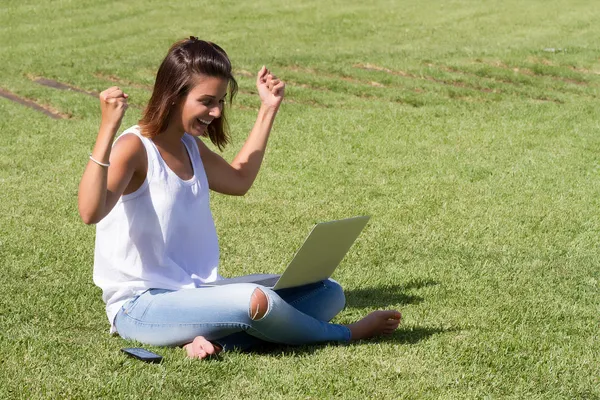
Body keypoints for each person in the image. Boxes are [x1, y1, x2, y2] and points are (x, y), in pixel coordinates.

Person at [78, 37, 401, 359]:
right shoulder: (134, 147)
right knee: (255, 301)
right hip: (141, 305)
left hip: (197, 295)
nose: (216, 112)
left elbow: (239, 180)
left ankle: (215, 343)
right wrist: (108, 129)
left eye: (220, 101)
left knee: (327, 291)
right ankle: (346, 334)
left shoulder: (189, 146)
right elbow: (91, 212)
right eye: (207, 101)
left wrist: (268, 108)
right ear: (174, 96)